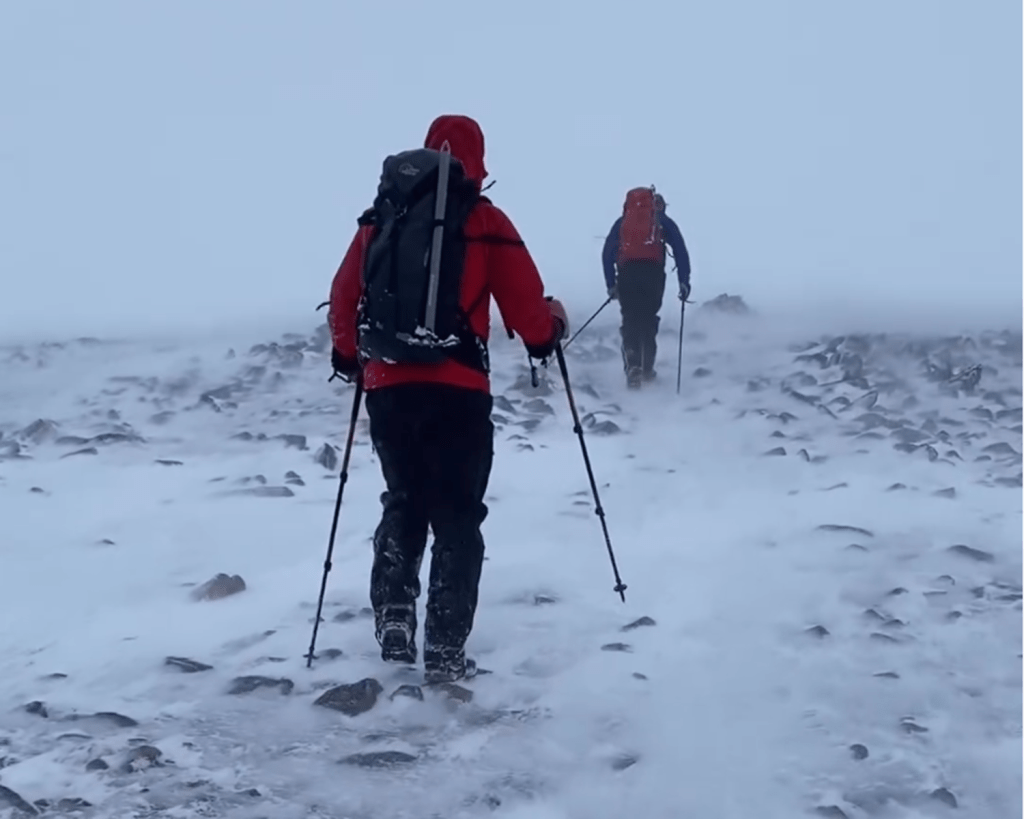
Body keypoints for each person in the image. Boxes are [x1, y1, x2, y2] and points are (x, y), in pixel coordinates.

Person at [327, 114, 569, 683]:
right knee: (457, 515)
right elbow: (530, 319)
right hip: (458, 390)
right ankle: (444, 648)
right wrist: (550, 330)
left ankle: (392, 614)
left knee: (404, 498)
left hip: (388, 388)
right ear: (476, 162)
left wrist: (350, 359)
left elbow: (343, 297)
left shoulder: (380, 220)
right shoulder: (485, 220)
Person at [602, 189, 691, 388]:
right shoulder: (663, 222)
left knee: (630, 318)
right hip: (653, 276)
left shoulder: (623, 223)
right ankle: (647, 369)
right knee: (648, 319)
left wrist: (611, 284)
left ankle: (633, 365)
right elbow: (680, 250)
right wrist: (684, 282)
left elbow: (607, 253)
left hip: (626, 275)